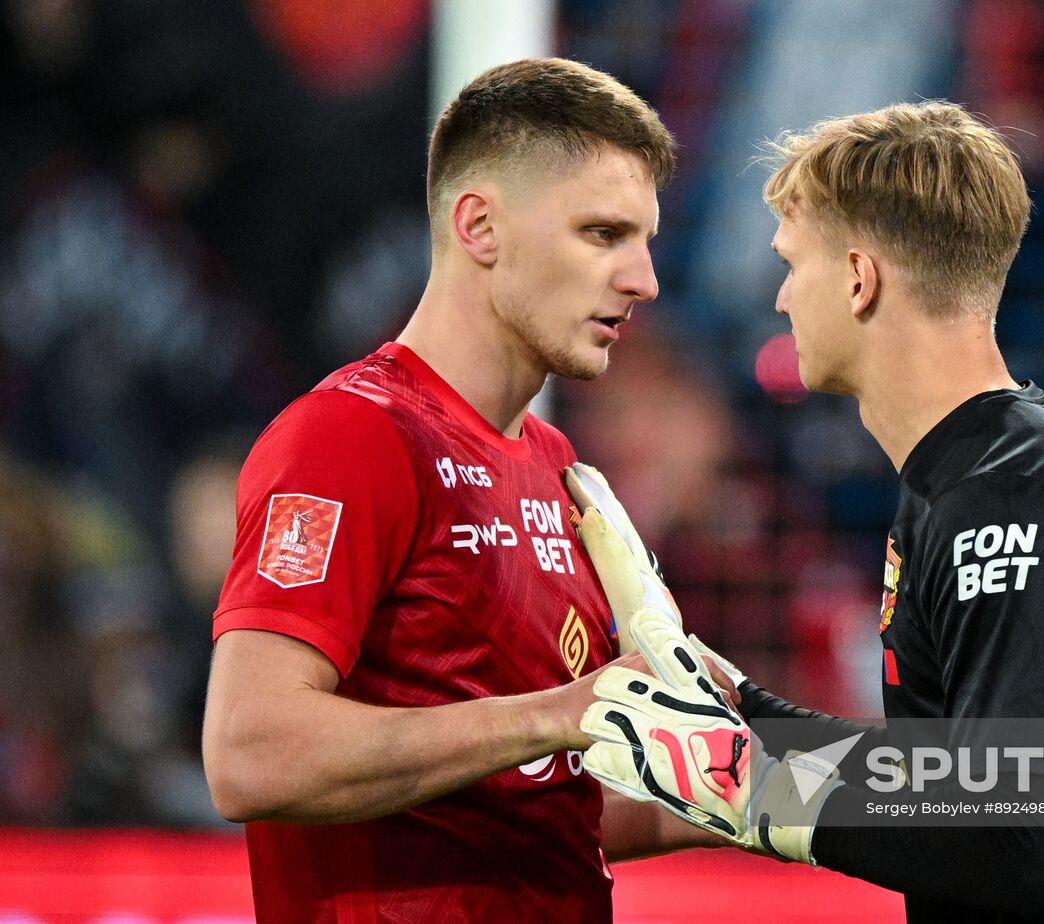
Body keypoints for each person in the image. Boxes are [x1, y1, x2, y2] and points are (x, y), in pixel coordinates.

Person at [579, 100, 1044, 922]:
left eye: (792, 264)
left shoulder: (1003, 506)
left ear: (858, 277)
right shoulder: (1024, 460)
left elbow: (1011, 843)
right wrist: (740, 706)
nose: (779, 300)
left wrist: (751, 784)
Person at [201, 58, 724, 922]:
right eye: (602, 234)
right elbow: (251, 752)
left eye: (645, 241)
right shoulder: (351, 437)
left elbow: (545, 799)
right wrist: (558, 712)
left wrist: (853, 784)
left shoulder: (557, 464)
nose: (643, 280)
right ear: (479, 226)